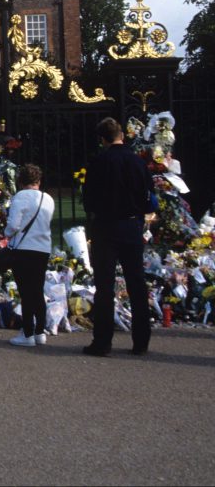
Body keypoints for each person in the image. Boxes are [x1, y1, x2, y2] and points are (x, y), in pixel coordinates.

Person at [82, 117, 155, 356]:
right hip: (131, 225)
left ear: (102, 138)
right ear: (121, 134)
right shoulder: (136, 161)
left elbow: (88, 198)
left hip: (105, 226)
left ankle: (102, 342)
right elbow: (148, 195)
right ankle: (141, 340)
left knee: (104, 286)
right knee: (136, 282)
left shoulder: (98, 162)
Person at [3, 164, 55, 348]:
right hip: (43, 248)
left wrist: (5, 233)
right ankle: (40, 330)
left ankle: (27, 333)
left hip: (24, 248)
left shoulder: (20, 197)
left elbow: (14, 225)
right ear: (38, 181)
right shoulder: (48, 198)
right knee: (37, 290)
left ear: (20, 181)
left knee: (26, 292)